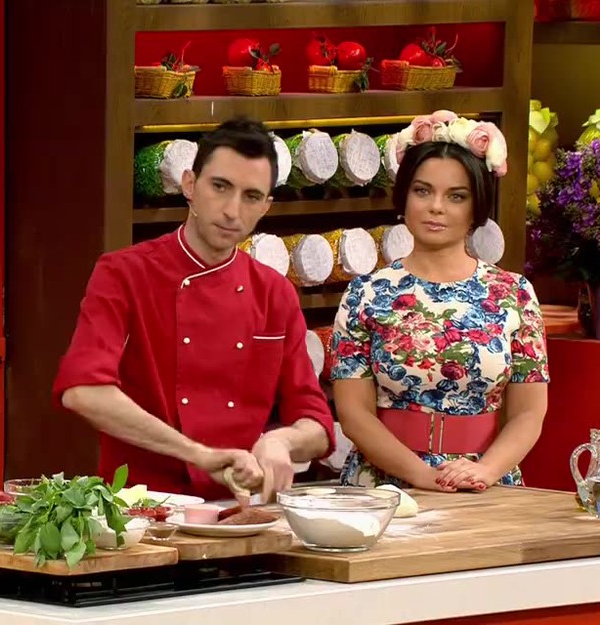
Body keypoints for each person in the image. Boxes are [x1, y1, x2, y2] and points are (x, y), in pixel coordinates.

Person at [54, 117, 335, 502]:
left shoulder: (274, 292)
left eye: (251, 196)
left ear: (266, 207)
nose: (232, 210)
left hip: (238, 508)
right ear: (189, 184)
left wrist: (281, 442)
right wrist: (198, 454)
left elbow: (317, 423)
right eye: (220, 186)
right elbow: (83, 391)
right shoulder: (124, 273)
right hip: (141, 508)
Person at [330, 111, 549, 493]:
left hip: (484, 482)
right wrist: (421, 476)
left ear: (477, 206)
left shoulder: (514, 294)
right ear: (404, 196)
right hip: (386, 485)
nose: (436, 206)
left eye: (456, 196)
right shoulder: (365, 293)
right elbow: (354, 414)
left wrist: (486, 471)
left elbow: (529, 412)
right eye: (422, 191)